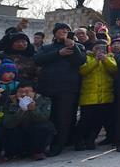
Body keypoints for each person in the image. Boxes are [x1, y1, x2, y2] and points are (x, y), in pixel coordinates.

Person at [34, 23, 86, 157]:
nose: (64, 32)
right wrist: (58, 53)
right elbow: (38, 60)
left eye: (67, 31)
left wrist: (72, 46)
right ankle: (45, 143)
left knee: (64, 118)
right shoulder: (47, 48)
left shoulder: (78, 47)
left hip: (68, 89)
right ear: (55, 33)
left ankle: (58, 145)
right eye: (62, 30)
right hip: (48, 88)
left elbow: (80, 61)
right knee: (48, 117)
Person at [0, 81, 54, 160]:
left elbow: (44, 118)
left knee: (44, 126)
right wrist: (21, 111)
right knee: (2, 130)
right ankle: (12, 153)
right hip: (19, 134)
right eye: (20, 92)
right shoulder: (11, 101)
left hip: (33, 133)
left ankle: (37, 152)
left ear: (34, 93)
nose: (23, 95)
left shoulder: (44, 100)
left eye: (27, 92)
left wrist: (33, 109)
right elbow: (7, 123)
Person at [76, 42, 117, 150]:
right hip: (89, 96)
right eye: (96, 47)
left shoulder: (110, 57)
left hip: (105, 96)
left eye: (101, 48)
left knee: (98, 121)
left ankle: (91, 140)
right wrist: (96, 60)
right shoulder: (86, 58)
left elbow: (114, 69)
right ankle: (79, 141)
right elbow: (83, 70)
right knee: (85, 120)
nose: (99, 50)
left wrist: (105, 59)